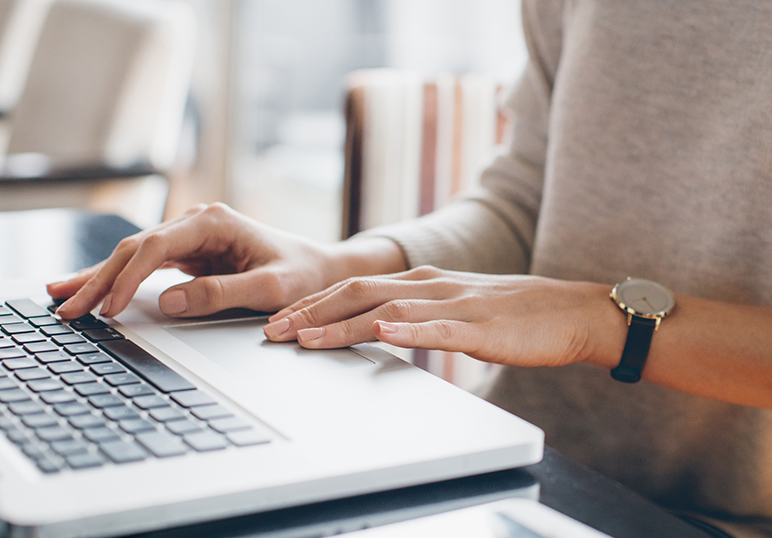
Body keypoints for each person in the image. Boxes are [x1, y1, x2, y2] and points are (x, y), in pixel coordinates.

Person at [48, 1, 772, 536]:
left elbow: (583, 306)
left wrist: (598, 320)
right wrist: (336, 264)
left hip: (725, 513)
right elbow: (525, 198)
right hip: (526, 470)